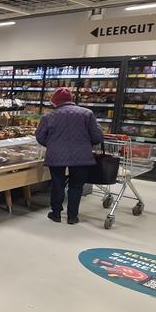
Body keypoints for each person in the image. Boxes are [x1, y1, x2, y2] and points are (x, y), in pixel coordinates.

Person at [35, 87, 104, 224]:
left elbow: (40, 137)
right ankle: (72, 216)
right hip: (81, 155)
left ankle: (56, 214)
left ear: (55, 101)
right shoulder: (87, 114)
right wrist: (85, 144)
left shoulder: (48, 117)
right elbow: (97, 136)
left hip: (56, 155)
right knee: (76, 186)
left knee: (57, 184)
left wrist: (52, 145)